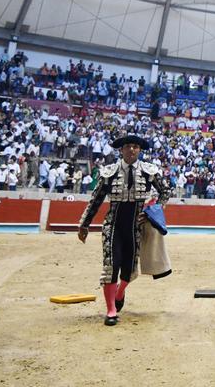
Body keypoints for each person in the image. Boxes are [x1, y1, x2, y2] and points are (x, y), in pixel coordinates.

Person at [77, 135, 171, 326]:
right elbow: (95, 200)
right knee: (111, 265)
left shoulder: (148, 171)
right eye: (128, 146)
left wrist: (153, 210)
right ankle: (111, 310)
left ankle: (120, 292)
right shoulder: (109, 172)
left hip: (135, 226)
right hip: (113, 224)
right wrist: (84, 224)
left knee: (129, 267)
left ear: (140, 150)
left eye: (136, 147)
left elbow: (165, 192)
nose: (132, 150)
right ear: (121, 149)